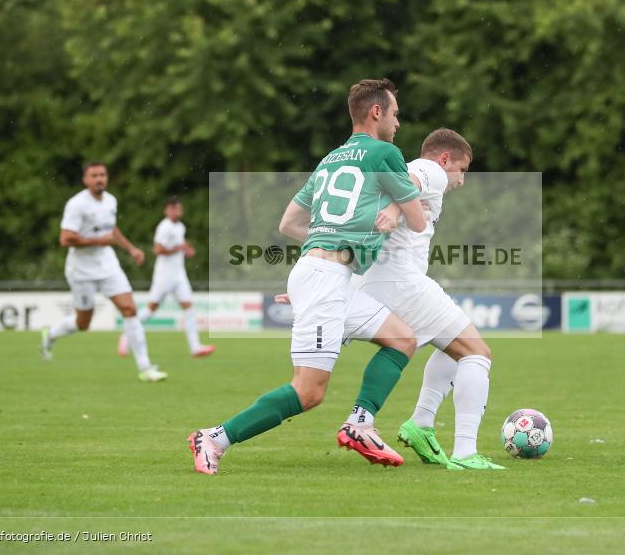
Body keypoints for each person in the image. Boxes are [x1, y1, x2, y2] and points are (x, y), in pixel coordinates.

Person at [187, 78, 427, 474]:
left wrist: (325, 246)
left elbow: (288, 223)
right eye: (396, 114)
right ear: (377, 112)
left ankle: (361, 423)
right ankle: (214, 438)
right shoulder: (386, 153)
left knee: (403, 339)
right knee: (309, 392)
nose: (399, 123)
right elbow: (417, 220)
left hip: (326, 275)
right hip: (325, 278)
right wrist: (397, 209)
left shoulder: (331, 159)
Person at [359, 128, 503, 469]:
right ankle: (466, 452)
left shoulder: (397, 172)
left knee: (452, 347)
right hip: (403, 284)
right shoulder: (432, 170)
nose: (461, 180)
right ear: (444, 159)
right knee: (478, 353)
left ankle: (421, 424)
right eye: (463, 170)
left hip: (376, 282)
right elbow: (413, 179)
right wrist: (396, 210)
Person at [40, 162, 168, 382]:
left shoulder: (110, 201)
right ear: (85, 180)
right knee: (83, 323)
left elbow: (112, 229)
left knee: (129, 309)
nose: (99, 179)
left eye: (102, 174)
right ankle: (50, 334)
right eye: (94, 175)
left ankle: (145, 368)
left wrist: (131, 249)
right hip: (81, 270)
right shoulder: (77, 204)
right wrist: (99, 240)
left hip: (108, 265)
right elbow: (65, 238)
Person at [116, 197, 215, 359]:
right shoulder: (164, 227)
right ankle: (126, 336)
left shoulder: (180, 227)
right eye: (174, 208)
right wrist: (178, 249)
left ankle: (195, 347)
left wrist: (187, 250)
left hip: (179, 275)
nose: (177, 211)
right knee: (151, 309)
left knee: (189, 308)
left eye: (179, 208)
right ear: (167, 210)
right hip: (164, 276)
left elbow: (179, 246)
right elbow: (158, 250)